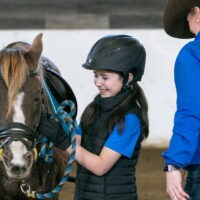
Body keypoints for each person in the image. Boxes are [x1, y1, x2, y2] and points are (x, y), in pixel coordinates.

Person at [38, 34, 149, 200]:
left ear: (129, 78)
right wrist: (53, 136)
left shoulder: (129, 119)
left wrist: (62, 140)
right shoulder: (93, 109)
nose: (98, 82)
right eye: (95, 76)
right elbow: (73, 152)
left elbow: (100, 166)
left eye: (105, 77)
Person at [162, 0, 200, 200]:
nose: (188, 25)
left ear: (198, 14)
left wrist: (174, 163)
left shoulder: (192, 53)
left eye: (188, 19)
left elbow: (192, 112)